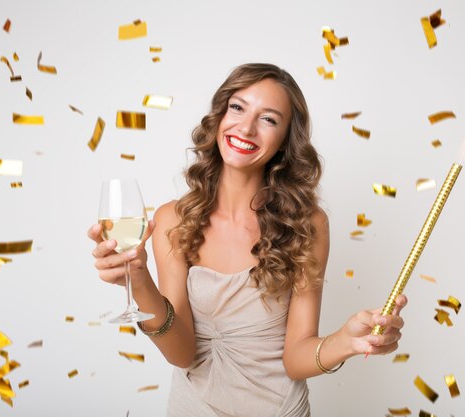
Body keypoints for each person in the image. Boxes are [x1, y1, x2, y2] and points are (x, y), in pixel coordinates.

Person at [88, 63, 407, 417]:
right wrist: (138, 279)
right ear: (220, 115)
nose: (246, 127)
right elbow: (181, 353)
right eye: (237, 107)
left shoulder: (308, 225)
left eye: (268, 119)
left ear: (286, 140)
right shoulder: (172, 219)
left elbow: (295, 358)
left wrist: (346, 341)